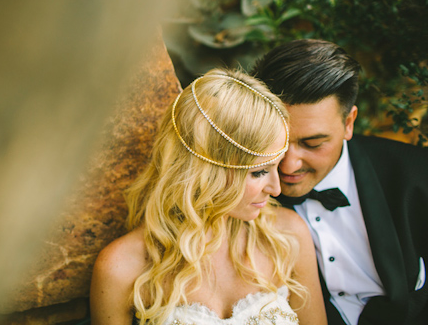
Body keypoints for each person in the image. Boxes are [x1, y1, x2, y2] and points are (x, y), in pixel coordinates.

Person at [90, 68, 327, 325]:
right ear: (205, 170)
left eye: (276, 167)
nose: (276, 188)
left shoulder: (287, 236)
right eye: (259, 172)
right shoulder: (121, 268)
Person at [252, 39, 428, 325]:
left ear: (349, 123)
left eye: (312, 143)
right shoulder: (244, 193)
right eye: (277, 142)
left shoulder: (417, 176)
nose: (288, 165)